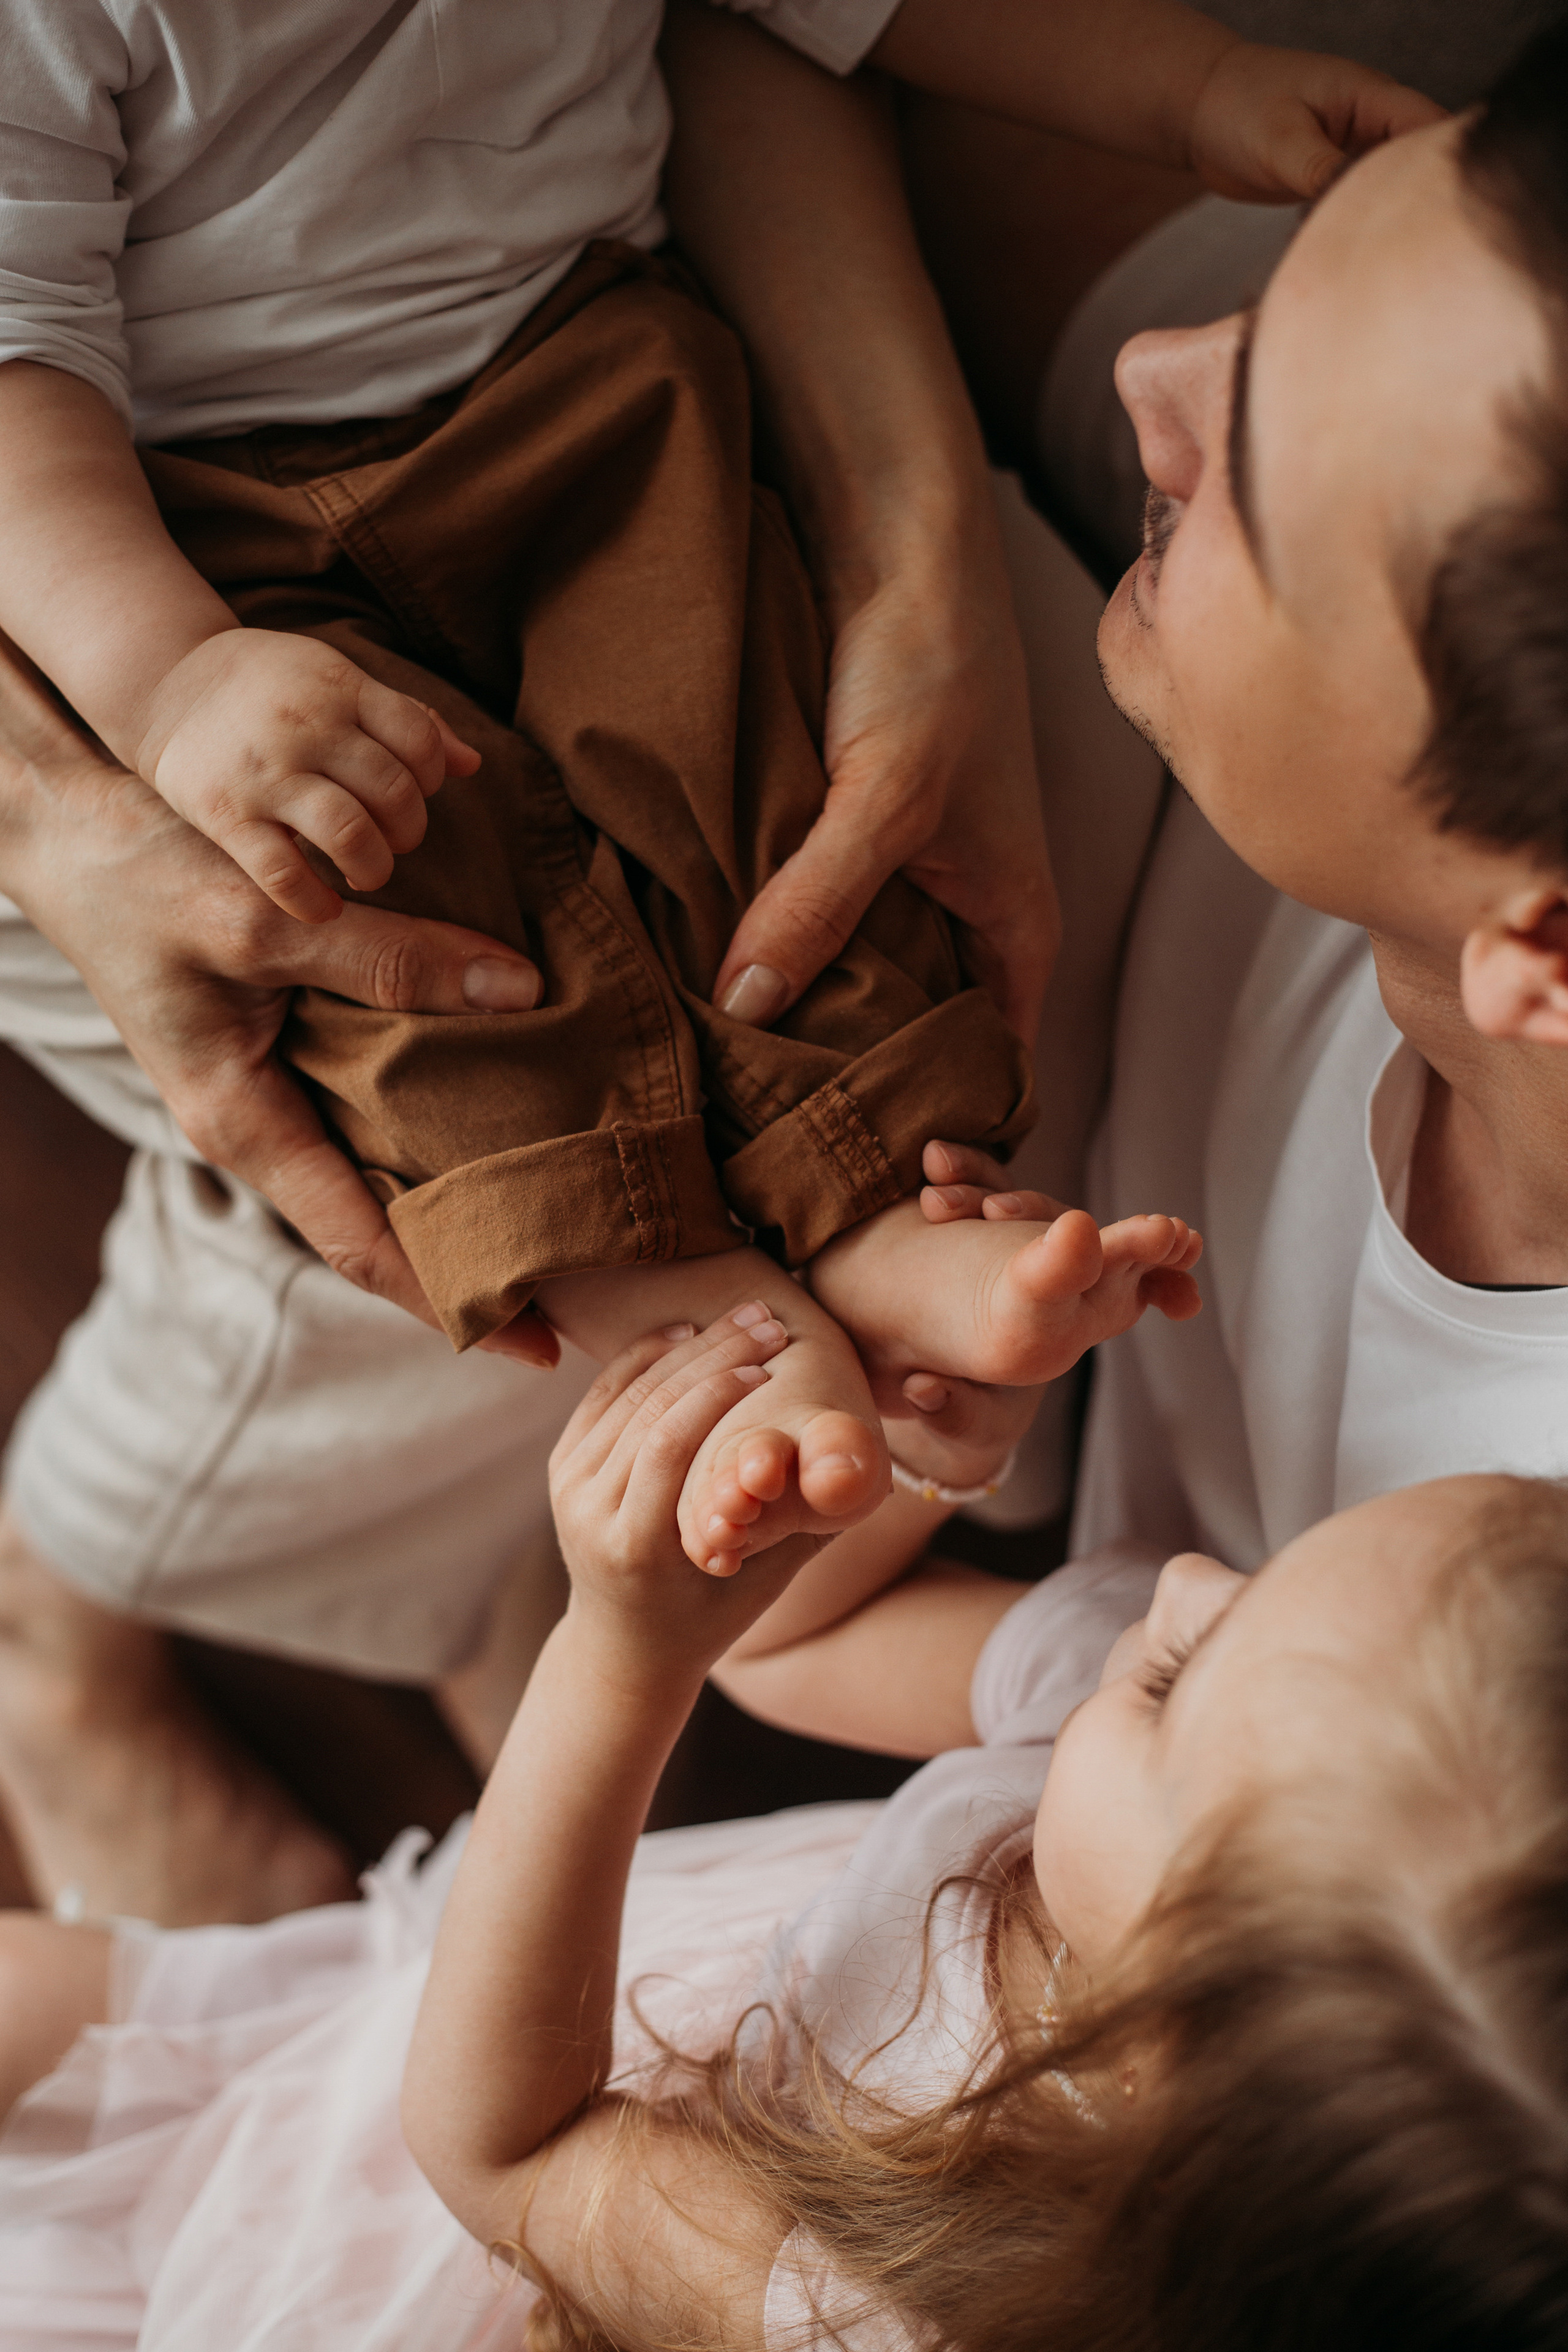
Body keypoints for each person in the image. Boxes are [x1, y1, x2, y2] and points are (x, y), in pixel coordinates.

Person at [0, 0, 1428, 1920]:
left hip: (598, 379)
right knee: (422, 949)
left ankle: (869, 1205)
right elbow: (15, 367)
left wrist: (1195, 87)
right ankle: (679, 1319)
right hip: (206, 528)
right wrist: (162, 683)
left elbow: (838, 9)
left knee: (770, 805)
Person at [3, 1309, 1566, 2348]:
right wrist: (923, 1446)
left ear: (1164, 2031)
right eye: (1273, 1571)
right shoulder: (1165, 1732)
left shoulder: (879, 2311)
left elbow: (504, 2149)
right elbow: (799, 1642)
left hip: (455, 2160)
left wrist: (620, 1652)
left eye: (1175, 1678)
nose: (1182, 1581)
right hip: (436, 1988)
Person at [922, 16, 1568, 1577]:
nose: (1154, 371)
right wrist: (899, 506)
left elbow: (848, 1652)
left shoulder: (1468, 1595)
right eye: (1273, 287)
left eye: (1255, 488)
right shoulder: (1452, 364)